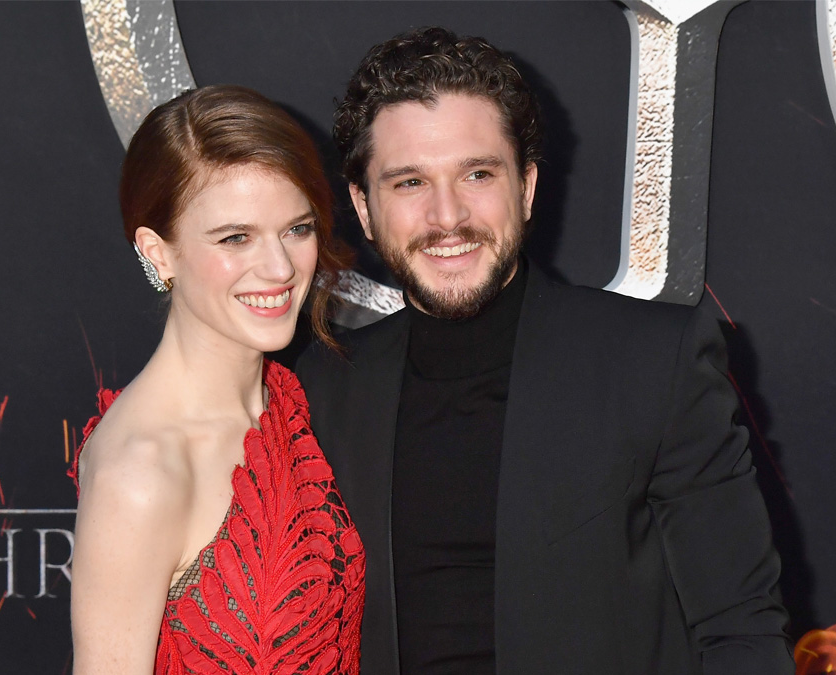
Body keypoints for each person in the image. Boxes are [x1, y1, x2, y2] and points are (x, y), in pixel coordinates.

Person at [297, 27, 792, 675]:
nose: (448, 217)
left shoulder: (654, 360)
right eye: (410, 182)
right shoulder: (323, 386)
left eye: (478, 173)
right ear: (364, 207)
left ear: (526, 188)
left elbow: (740, 627)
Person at [69, 85, 364, 675]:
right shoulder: (143, 471)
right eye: (235, 238)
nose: (280, 268)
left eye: (297, 229)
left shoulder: (298, 400)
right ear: (159, 253)